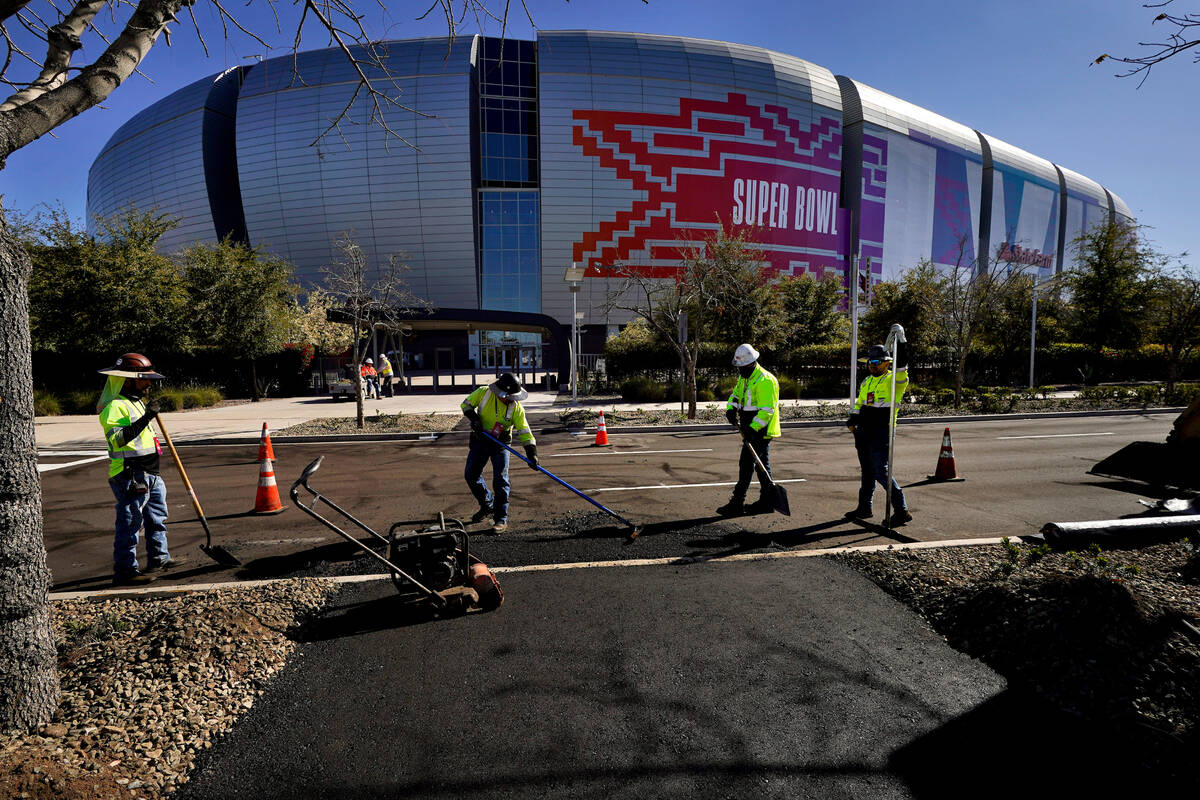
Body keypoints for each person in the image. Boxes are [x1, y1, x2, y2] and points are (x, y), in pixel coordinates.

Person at [96, 353, 175, 585]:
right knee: (130, 524)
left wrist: (148, 414)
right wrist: (148, 417)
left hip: (151, 472)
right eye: (143, 379)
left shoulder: (137, 403)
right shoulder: (114, 407)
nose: (149, 384)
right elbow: (119, 440)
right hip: (131, 475)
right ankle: (125, 571)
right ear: (127, 380)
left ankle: (159, 558)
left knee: (157, 518)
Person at [846, 325, 912, 527]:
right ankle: (865, 507)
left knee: (880, 471)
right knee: (867, 471)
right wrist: (853, 419)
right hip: (864, 431)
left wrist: (902, 341)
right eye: (870, 362)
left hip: (882, 430)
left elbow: (902, 367)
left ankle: (901, 510)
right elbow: (860, 403)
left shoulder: (894, 380)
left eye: (876, 362)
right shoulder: (867, 381)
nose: (872, 366)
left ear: (887, 363)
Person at [460, 372, 538, 533]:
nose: (510, 399)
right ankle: (487, 505)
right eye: (508, 396)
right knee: (471, 475)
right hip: (480, 440)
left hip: (500, 444)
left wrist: (531, 453)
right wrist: (474, 419)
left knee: (501, 480)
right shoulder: (483, 393)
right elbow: (465, 405)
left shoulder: (516, 408)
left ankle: (501, 519)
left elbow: (524, 431)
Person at [718, 343, 781, 517]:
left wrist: (753, 429)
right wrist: (731, 408)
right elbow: (736, 395)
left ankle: (737, 503)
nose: (740, 369)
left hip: (761, 428)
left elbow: (767, 411)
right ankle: (767, 501)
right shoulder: (745, 377)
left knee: (746, 465)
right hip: (749, 426)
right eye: (738, 366)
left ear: (752, 362)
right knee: (762, 465)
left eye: (742, 366)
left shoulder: (765, 380)